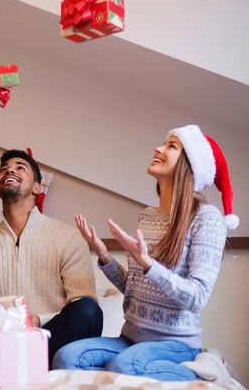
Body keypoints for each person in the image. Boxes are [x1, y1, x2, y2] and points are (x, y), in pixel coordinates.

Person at [53, 125, 238, 380]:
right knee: (66, 357)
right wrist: (104, 256)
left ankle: (205, 372)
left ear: (189, 164)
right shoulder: (148, 216)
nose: (158, 148)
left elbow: (197, 297)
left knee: (124, 367)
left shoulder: (207, 219)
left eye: (171, 146)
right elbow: (136, 288)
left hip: (175, 344)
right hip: (131, 338)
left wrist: (150, 266)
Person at [0, 149, 103, 368]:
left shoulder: (68, 237)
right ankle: (20, 365)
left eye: (20, 167)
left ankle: (24, 365)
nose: (9, 169)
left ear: (37, 188)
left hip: (54, 337)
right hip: (6, 341)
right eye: (4, 169)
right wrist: (10, 326)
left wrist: (36, 320)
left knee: (88, 309)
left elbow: (83, 308)